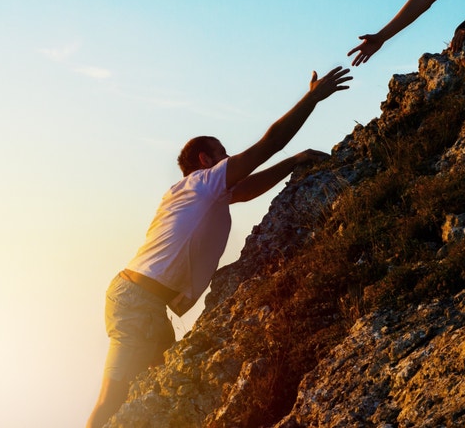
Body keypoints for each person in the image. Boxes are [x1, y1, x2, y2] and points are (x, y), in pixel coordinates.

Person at [86, 66, 353, 428]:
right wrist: (311, 99)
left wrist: (295, 162)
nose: (230, 162)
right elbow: (267, 145)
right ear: (205, 160)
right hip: (136, 301)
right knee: (114, 397)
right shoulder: (201, 183)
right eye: (223, 155)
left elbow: (246, 190)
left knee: (156, 398)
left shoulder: (204, 193)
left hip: (144, 301)